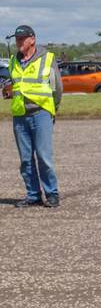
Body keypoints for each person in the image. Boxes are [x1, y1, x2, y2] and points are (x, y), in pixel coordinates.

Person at [4, 25, 62, 208]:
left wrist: (53, 109)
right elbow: (12, 83)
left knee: (44, 157)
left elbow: (57, 88)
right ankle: (33, 195)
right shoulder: (14, 60)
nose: (18, 42)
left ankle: (52, 194)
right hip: (20, 115)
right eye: (17, 39)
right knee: (26, 159)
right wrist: (7, 90)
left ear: (32, 39)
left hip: (41, 113)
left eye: (22, 39)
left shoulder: (47, 59)